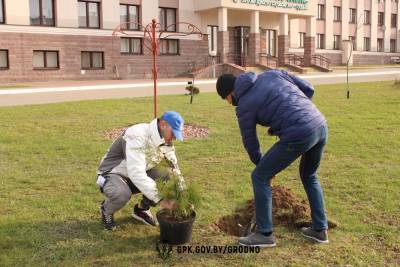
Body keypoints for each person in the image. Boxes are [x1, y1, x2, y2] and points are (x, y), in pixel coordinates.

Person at [216, 70, 329, 247]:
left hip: (299, 133)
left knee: (259, 176)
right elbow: (309, 88)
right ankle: (320, 229)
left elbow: (251, 143)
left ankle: (264, 234)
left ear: (231, 93)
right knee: (309, 176)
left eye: (227, 100)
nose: (229, 103)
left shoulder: (244, 105)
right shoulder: (273, 74)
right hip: (320, 125)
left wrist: (262, 165)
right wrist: (294, 117)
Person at [96, 111, 185, 230]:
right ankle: (107, 210)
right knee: (121, 194)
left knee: (167, 174)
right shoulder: (137, 135)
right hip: (113, 174)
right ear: (163, 124)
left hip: (137, 174)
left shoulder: (165, 140)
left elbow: (174, 165)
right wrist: (161, 200)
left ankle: (141, 210)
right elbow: (136, 173)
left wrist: (183, 190)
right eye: (173, 133)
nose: (174, 137)